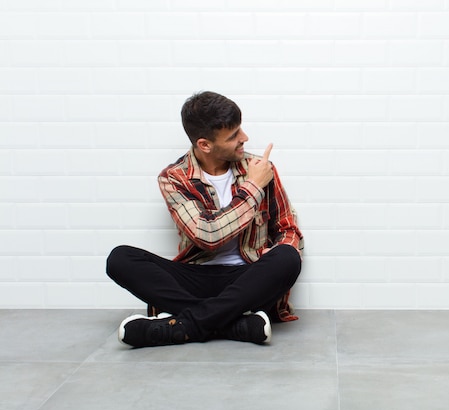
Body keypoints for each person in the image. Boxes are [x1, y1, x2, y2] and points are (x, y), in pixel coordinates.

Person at [106, 91, 304, 348]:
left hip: (247, 279)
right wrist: (253, 187)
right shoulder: (174, 177)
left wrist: (275, 250)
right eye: (233, 135)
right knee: (120, 258)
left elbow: (288, 229)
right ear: (205, 145)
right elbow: (208, 236)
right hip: (196, 277)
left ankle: (186, 325)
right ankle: (234, 325)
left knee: (287, 257)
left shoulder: (259, 168)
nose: (244, 138)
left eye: (240, 130)